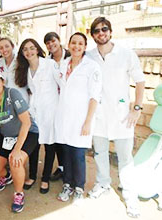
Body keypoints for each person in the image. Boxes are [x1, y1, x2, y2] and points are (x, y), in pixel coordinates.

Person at [87, 17, 145, 218]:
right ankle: (102, 183)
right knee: (99, 153)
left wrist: (136, 108)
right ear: (92, 35)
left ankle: (130, 197)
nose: (101, 33)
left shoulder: (126, 54)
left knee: (126, 159)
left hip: (122, 116)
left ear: (110, 32)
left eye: (104, 29)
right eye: (96, 30)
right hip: (98, 116)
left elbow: (139, 81)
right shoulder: (88, 56)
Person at [0, 69, 38, 213]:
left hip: (27, 133)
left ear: (3, 82)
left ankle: (19, 194)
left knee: (15, 161)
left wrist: (17, 150)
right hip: (6, 136)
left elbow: (26, 123)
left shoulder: (13, 94)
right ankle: (7, 176)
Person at [55, 32, 102, 205]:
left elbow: (94, 96)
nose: (76, 46)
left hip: (81, 118)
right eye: (73, 43)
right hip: (64, 118)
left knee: (78, 155)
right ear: (68, 44)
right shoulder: (64, 64)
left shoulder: (92, 67)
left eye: (80, 43)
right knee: (66, 154)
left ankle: (79, 189)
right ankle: (67, 185)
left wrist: (88, 121)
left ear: (84, 46)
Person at [15, 39, 59, 194]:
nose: (29, 52)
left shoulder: (49, 64)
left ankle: (45, 178)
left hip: (50, 111)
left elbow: (61, 84)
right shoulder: (24, 69)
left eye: (32, 48)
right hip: (34, 111)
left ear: (38, 49)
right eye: (25, 49)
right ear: (22, 53)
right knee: (34, 145)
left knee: (49, 146)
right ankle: (32, 176)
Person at [39, 32, 71, 182]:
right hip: (53, 104)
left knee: (67, 139)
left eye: (53, 41)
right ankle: (62, 168)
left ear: (59, 41)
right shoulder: (47, 61)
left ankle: (70, 170)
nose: (51, 45)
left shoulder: (71, 57)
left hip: (69, 103)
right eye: (48, 43)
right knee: (56, 138)